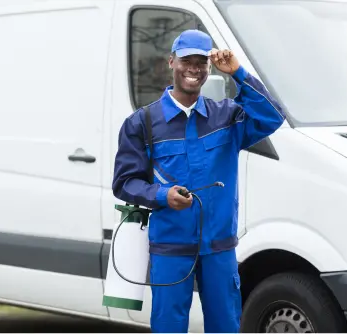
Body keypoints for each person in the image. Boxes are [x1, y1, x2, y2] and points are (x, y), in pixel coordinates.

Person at [112, 29, 285, 333]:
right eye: (186, 60)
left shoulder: (227, 117)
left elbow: (271, 117)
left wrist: (239, 73)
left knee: (225, 326)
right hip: (170, 247)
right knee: (168, 327)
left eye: (201, 62)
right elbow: (125, 182)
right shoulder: (143, 123)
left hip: (219, 248)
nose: (194, 68)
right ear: (171, 62)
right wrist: (163, 195)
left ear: (209, 67)